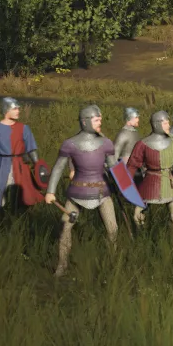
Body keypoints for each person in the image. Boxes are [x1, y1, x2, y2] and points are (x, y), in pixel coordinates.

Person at [45, 105, 118, 277]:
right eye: (97, 120)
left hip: (102, 192)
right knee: (65, 228)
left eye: (100, 119)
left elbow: (114, 167)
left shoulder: (106, 143)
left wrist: (123, 186)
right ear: (85, 122)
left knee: (113, 229)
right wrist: (50, 191)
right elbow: (58, 168)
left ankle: (112, 264)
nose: (100, 123)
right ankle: (62, 265)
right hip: (77, 193)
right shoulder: (70, 144)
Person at [0, 96, 43, 211]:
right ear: (6, 109)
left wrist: (37, 166)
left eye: (18, 108)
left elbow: (31, 149)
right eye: (15, 109)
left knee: (23, 191)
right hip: (0, 164)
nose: (18, 111)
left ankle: (18, 210)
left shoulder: (24, 128)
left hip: (20, 165)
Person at [126, 111, 173, 237]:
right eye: (165, 123)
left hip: (170, 184)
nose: (169, 126)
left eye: (168, 123)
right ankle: (142, 238)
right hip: (149, 184)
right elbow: (132, 165)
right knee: (137, 215)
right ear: (156, 124)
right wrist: (125, 185)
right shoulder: (142, 144)